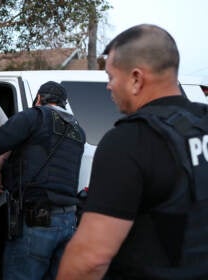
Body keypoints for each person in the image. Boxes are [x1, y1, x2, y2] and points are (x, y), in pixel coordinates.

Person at [57, 24, 208, 280]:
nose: (109, 87)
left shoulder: (130, 140)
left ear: (136, 78)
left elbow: (90, 260)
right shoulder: (202, 121)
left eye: (111, 77)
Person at [0, 81, 86, 280]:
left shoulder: (35, 116)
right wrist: (0, 170)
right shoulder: (77, 131)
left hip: (37, 222)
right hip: (68, 221)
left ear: (39, 98)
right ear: (63, 103)